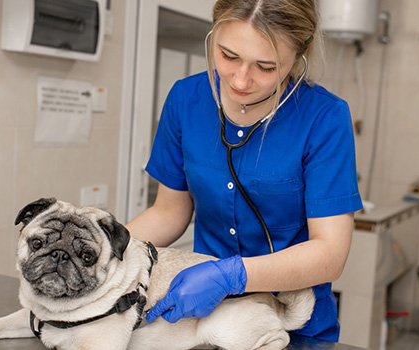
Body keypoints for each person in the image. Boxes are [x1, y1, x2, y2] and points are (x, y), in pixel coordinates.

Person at [125, 0, 362, 342]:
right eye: (228, 55)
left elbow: (330, 253)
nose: (240, 80)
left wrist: (230, 276)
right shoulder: (186, 99)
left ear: (297, 58)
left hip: (293, 321)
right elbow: (168, 212)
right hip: (204, 318)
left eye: (266, 67)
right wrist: (104, 248)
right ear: (214, 34)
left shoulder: (325, 119)